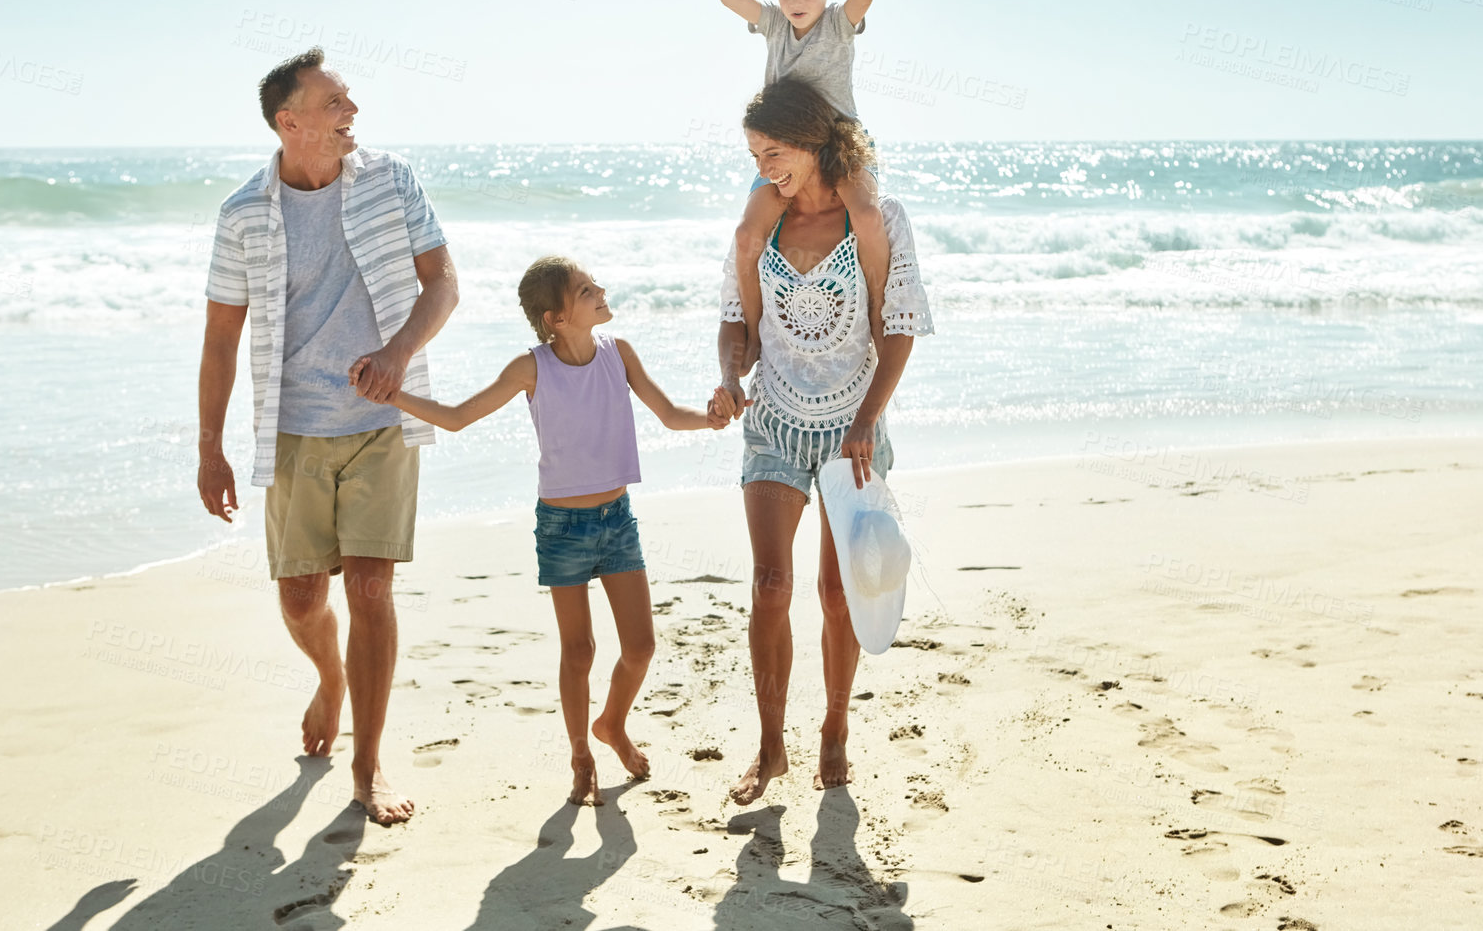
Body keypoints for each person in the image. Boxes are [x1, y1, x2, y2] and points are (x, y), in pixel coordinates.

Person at [358, 256, 729, 805]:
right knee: (578, 651)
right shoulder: (531, 368)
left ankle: (613, 725)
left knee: (642, 647)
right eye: (585, 290)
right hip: (561, 527)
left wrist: (712, 417)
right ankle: (581, 754)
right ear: (556, 317)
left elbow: (670, 414)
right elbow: (460, 416)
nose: (600, 290)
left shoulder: (618, 354)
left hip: (616, 520)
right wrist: (394, 396)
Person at [197, 46, 458, 825]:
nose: (352, 113)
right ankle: (330, 676)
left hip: (382, 417)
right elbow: (220, 337)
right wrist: (210, 446)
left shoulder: (390, 180)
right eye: (336, 102)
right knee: (303, 597)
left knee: (372, 588)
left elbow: (443, 282)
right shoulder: (243, 212)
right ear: (291, 120)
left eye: (351, 100)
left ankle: (369, 765)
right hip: (294, 429)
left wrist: (398, 352)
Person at [708, 79, 934, 804]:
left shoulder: (878, 218)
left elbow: (897, 325)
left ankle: (834, 725)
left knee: (839, 591)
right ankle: (771, 743)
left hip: (852, 427)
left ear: (812, 141)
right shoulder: (758, 230)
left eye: (775, 152)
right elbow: (734, 323)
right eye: (754, 155)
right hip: (773, 418)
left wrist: (868, 418)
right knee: (770, 586)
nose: (764, 167)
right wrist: (730, 375)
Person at [707, 0, 888, 365]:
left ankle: (879, 319)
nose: (795, 3)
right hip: (785, 151)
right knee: (748, 234)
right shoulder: (773, 24)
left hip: (837, 145)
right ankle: (752, 334)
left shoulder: (837, 24)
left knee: (867, 218)